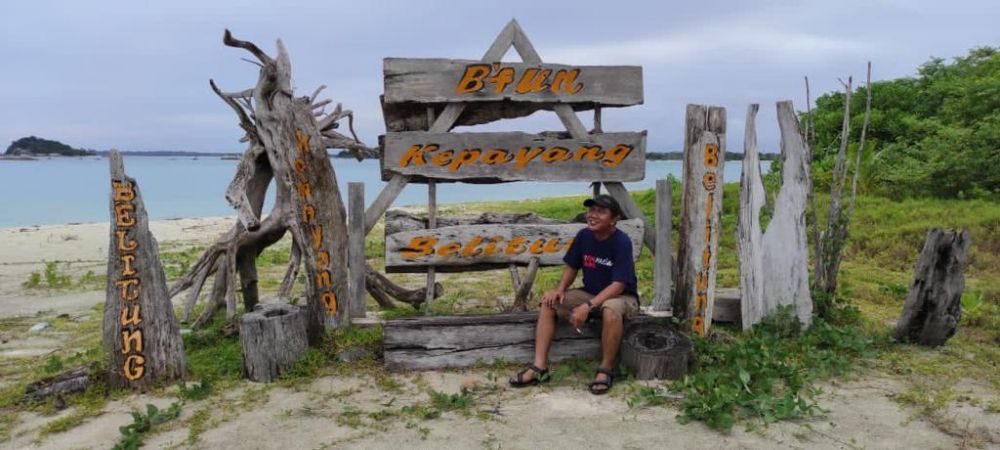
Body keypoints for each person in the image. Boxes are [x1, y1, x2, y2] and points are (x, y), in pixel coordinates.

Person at [508, 194, 639, 394]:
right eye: (591, 210)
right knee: (549, 303)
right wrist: (559, 290)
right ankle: (540, 367)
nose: (593, 215)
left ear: (614, 219)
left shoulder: (621, 242)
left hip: (623, 297)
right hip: (590, 292)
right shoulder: (584, 236)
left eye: (601, 212)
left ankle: (606, 369)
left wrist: (588, 306)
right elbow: (572, 267)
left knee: (611, 309)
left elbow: (619, 285)